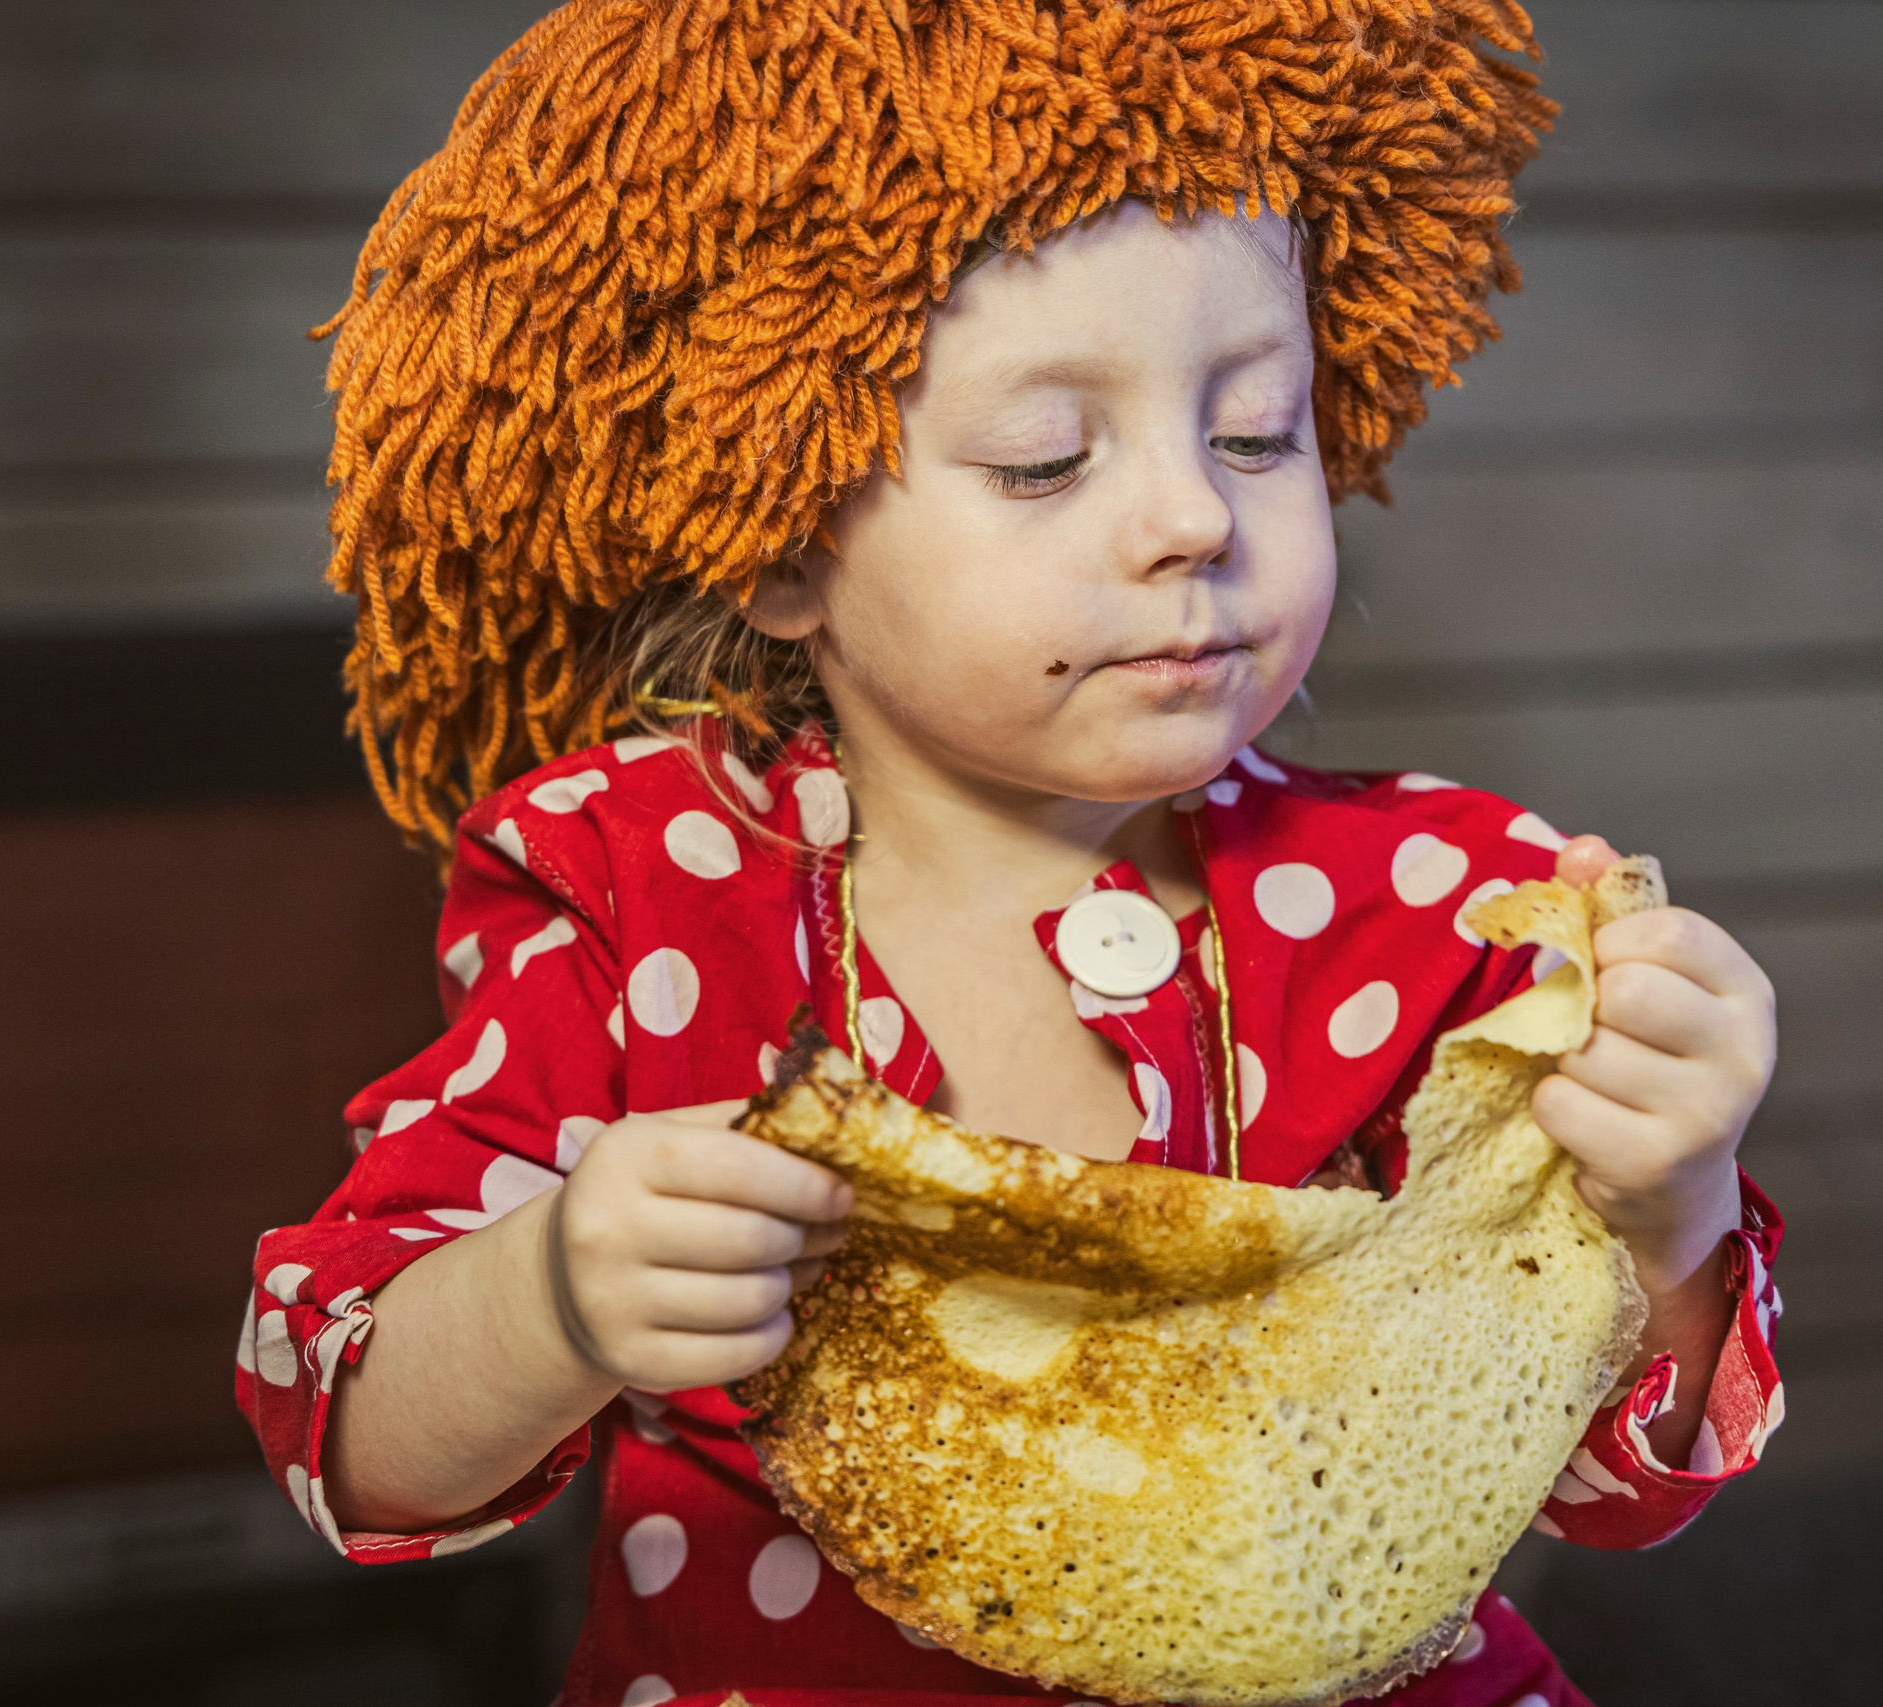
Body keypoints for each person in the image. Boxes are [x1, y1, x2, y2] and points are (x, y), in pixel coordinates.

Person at [237, 3, 1786, 1703]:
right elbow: (353, 1441)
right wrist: (550, 1294)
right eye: (1044, 460)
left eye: (1257, 431)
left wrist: (1670, 1212)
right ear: (776, 540)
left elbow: (1601, 1498)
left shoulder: (1438, 905)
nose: (1195, 517)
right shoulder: (633, 890)